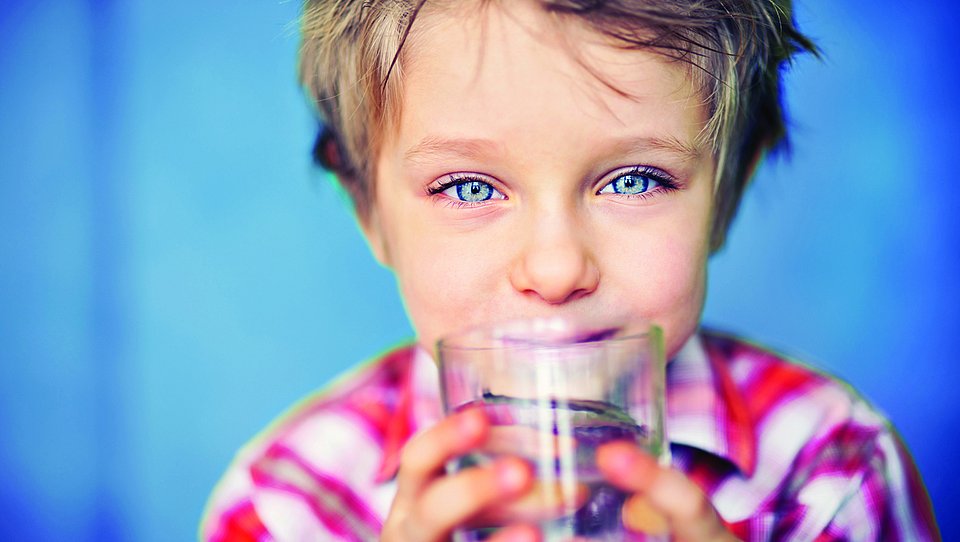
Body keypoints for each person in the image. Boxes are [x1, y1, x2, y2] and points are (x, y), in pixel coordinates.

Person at [201, 0, 940, 540]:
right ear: (368, 209)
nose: (556, 271)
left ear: (730, 192)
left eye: (634, 180)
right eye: (468, 187)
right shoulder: (286, 504)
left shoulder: (830, 471)